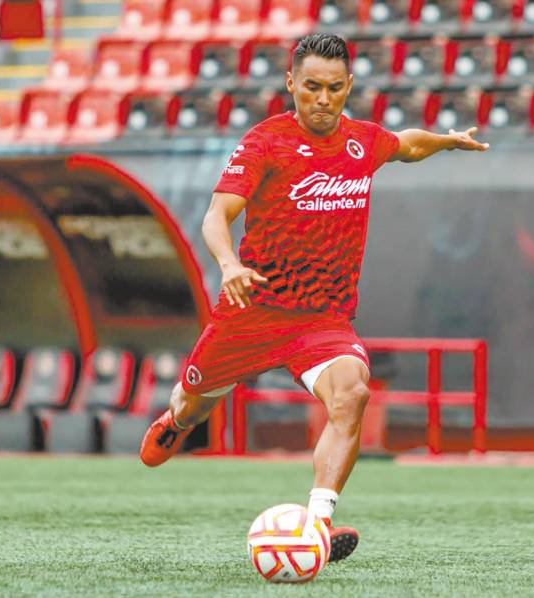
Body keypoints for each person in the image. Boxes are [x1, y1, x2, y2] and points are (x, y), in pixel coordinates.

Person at [140, 32, 489, 562]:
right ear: (291, 83)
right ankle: (176, 422)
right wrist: (230, 264)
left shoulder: (362, 141)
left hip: (321, 320)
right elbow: (216, 215)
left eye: (334, 88)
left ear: (348, 86)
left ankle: (316, 525)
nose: (322, 99)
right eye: (311, 87)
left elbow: (406, 145)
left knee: (353, 394)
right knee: (192, 404)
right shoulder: (265, 142)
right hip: (252, 312)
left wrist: (446, 141)